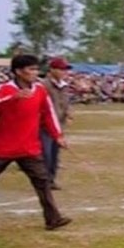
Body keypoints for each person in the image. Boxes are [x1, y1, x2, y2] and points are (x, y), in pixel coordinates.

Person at [0, 54, 71, 230]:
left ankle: (53, 218)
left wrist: (57, 135)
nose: (35, 73)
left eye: (36, 69)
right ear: (18, 71)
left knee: (42, 182)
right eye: (31, 69)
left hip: (28, 147)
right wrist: (13, 98)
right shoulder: (5, 89)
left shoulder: (40, 90)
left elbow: (48, 114)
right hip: (2, 148)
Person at [40, 57, 72, 188]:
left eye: (65, 69)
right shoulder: (43, 85)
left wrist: (69, 113)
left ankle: (51, 179)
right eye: (61, 69)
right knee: (45, 154)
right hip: (44, 125)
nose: (64, 72)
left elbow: (66, 102)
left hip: (59, 125)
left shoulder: (64, 86)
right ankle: (43, 180)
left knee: (55, 154)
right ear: (52, 70)